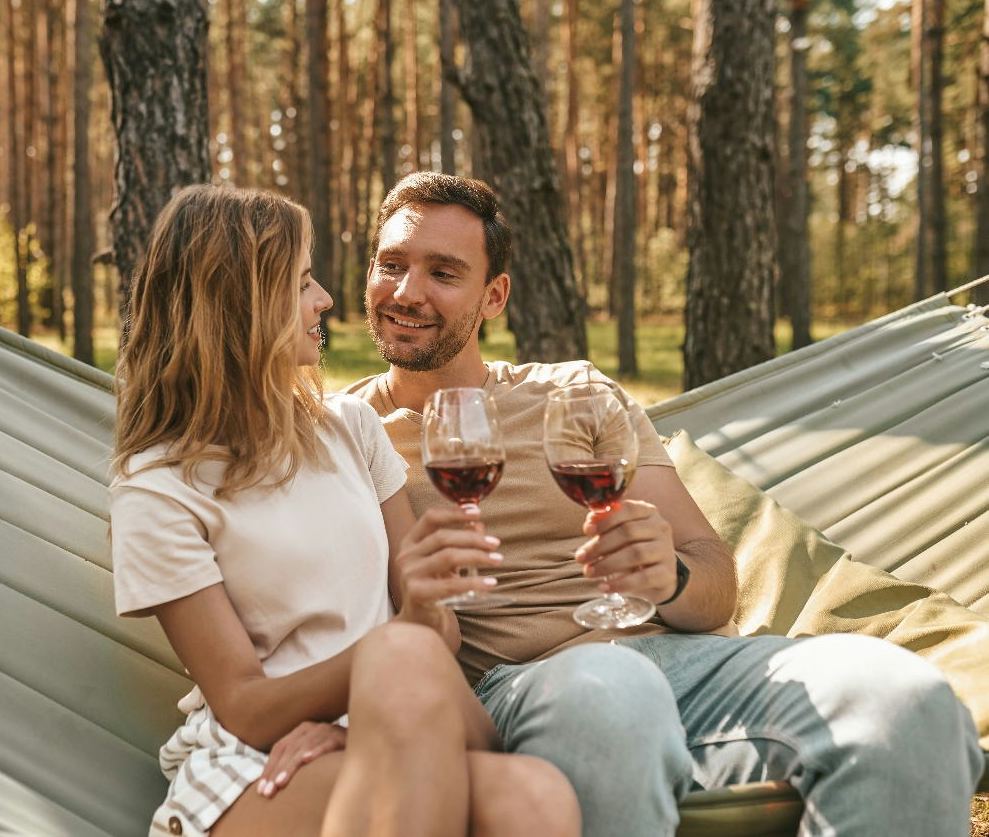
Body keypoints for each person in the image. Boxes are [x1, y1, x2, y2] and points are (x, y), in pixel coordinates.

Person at [345, 171, 986, 837]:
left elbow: (715, 584)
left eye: (443, 273)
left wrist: (670, 577)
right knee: (615, 697)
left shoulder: (577, 394)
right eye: (391, 265)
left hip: (688, 667)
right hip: (531, 690)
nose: (407, 292)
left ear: (494, 296)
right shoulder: (342, 434)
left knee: (908, 701)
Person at [109, 184, 580, 837]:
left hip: (396, 719)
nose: (325, 299)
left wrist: (420, 615)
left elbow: (432, 636)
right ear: (237, 304)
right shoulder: (158, 486)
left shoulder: (351, 427)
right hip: (260, 759)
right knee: (399, 658)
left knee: (537, 794)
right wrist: (390, 661)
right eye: (302, 281)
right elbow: (243, 704)